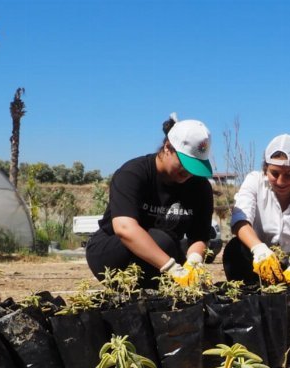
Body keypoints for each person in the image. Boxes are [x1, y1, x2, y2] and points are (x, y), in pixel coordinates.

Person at [86, 116, 215, 289]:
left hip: (162, 255)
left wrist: (194, 261)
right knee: (163, 240)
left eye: (195, 166)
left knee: (170, 246)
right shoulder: (133, 173)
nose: (189, 173)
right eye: (186, 164)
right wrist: (173, 269)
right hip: (111, 251)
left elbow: (200, 236)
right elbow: (125, 229)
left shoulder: (200, 187)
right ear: (168, 148)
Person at [223, 133, 290, 286]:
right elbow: (240, 220)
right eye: (274, 173)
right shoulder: (254, 181)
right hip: (259, 263)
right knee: (234, 251)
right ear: (265, 168)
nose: (281, 181)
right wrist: (259, 248)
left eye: (289, 175)